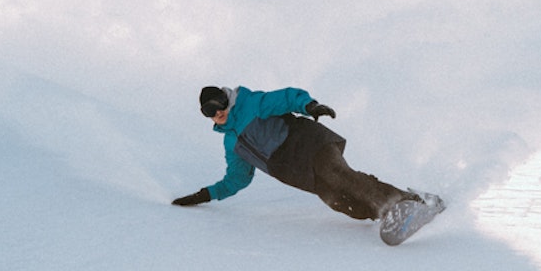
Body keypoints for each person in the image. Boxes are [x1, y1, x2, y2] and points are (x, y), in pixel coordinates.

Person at [172, 85, 426, 223]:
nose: (218, 114)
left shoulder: (250, 103)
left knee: (337, 174)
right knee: (336, 199)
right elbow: (237, 179)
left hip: (308, 142)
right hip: (295, 171)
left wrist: (309, 105)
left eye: (219, 106)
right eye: (209, 112)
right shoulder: (231, 144)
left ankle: (401, 203)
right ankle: (387, 214)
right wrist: (205, 195)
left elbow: (284, 98)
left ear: (226, 99)